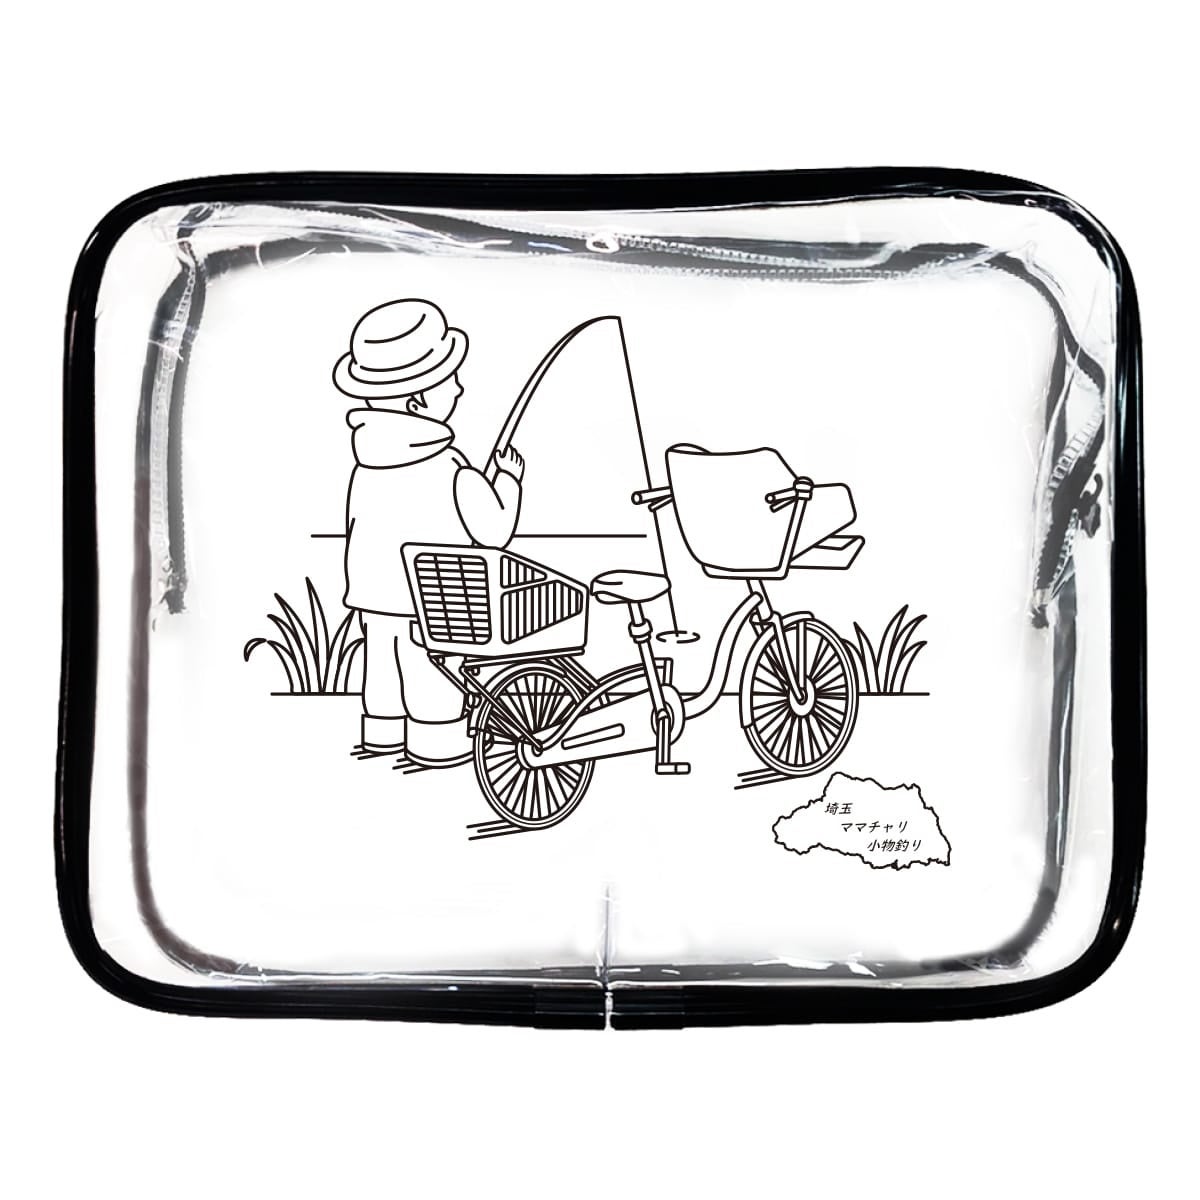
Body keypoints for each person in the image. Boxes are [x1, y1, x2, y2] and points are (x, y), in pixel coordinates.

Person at [332, 298, 525, 765]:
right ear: (417, 400)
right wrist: (508, 480)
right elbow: (494, 530)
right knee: (430, 668)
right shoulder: (448, 466)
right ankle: (435, 740)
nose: (459, 386)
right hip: (433, 595)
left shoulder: (365, 465)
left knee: (381, 662)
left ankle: (381, 732)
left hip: (372, 593)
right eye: (448, 379)